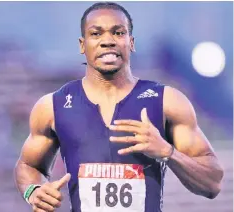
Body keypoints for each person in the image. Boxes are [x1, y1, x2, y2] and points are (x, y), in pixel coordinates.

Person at [14, 2, 224, 212]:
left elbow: (212, 184)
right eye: (96, 34)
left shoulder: (166, 101)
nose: (107, 41)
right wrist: (32, 190)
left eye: (118, 32)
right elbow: (28, 166)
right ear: (82, 45)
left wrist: (168, 152)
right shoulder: (53, 106)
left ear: (130, 42)